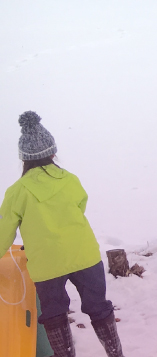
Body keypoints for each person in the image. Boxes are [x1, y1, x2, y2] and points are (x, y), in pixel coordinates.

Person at [0, 111, 125, 357]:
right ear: (53, 153)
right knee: (99, 308)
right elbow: (80, 207)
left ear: (24, 159)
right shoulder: (70, 180)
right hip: (85, 256)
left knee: (55, 315)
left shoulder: (17, 191)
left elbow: (4, 233)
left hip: (47, 265)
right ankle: (116, 354)